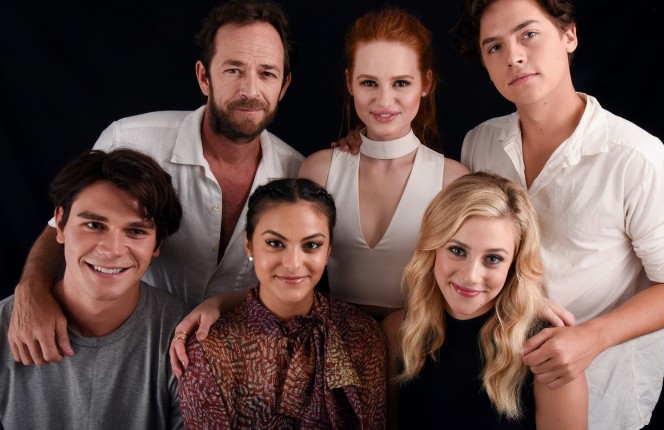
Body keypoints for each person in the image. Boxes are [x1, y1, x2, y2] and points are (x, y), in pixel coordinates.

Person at [9, 0, 304, 366]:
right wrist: (31, 288)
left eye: (267, 73)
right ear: (204, 77)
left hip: (238, 362)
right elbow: (66, 227)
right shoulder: (130, 141)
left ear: (284, 85)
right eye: (234, 70)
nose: (250, 89)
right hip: (133, 349)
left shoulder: (299, 175)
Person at [452, 0, 664, 428]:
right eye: (494, 46)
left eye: (529, 34)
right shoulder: (480, 143)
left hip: (601, 386)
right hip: (499, 384)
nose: (513, 56)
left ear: (569, 35)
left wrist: (592, 337)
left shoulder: (638, 159)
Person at [381, 171, 587, 430]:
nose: (471, 276)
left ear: (514, 264)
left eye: (493, 259)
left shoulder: (551, 351)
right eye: (457, 250)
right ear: (432, 248)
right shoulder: (398, 331)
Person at [299, 7, 469, 319]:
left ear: (426, 83)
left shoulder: (453, 181)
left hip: (419, 341)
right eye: (369, 83)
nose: (384, 100)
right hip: (333, 340)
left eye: (401, 83)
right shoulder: (318, 171)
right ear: (350, 82)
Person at [0, 148, 189, 429]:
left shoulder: (185, 338)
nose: (112, 250)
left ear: (157, 244)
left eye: (136, 231)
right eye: (93, 224)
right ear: (60, 224)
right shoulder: (3, 326)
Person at [178, 178, 386, 429]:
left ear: (328, 251)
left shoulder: (361, 333)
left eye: (312, 245)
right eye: (275, 243)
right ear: (249, 245)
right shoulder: (209, 349)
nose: (293, 264)